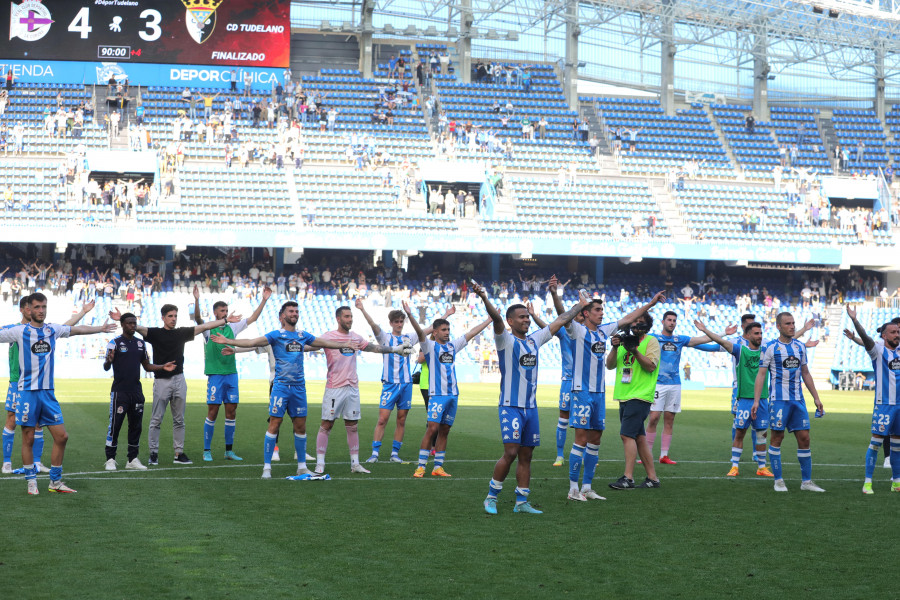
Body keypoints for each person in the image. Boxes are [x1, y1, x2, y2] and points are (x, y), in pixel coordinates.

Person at [212, 301, 360, 478]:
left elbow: (324, 342)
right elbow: (252, 342)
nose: (294, 314)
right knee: (274, 424)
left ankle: (302, 467)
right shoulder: (275, 335)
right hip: (281, 387)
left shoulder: (302, 335)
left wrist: (344, 345)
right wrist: (228, 341)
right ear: (283, 316)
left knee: (300, 426)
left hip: (299, 388)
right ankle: (267, 467)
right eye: (291, 311)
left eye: (296, 311)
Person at [550, 275, 665, 500]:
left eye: (602, 310)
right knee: (581, 438)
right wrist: (556, 295)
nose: (602, 313)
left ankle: (587, 487)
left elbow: (629, 318)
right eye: (597, 310)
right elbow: (562, 315)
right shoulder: (577, 330)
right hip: (581, 391)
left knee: (596, 440)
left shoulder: (605, 331)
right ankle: (573, 488)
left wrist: (651, 303)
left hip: (599, 394)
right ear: (585, 313)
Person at [479, 285, 586, 515]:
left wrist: (580, 306)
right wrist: (484, 298)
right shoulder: (505, 340)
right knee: (510, 453)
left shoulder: (534, 340)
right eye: (522, 317)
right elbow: (496, 318)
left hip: (531, 408)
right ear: (510, 321)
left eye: (528, 316)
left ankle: (521, 501)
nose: (527, 320)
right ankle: (491, 497)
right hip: (510, 406)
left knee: (527, 455)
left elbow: (560, 320)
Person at [0, 293, 116, 494]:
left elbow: (77, 330)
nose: (41, 310)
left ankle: (55, 482)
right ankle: (31, 482)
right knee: (27, 438)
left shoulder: (51, 330)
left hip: (48, 394)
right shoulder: (18, 331)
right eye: (37, 307)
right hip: (27, 393)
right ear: (29, 309)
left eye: (44, 306)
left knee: (61, 436)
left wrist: (101, 328)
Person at [109, 305, 233, 465]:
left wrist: (225, 320)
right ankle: (153, 454)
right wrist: (121, 318)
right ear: (163, 317)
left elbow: (205, 326)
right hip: (161, 380)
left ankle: (178, 453)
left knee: (179, 420)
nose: (173, 319)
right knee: (156, 420)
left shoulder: (181, 333)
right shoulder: (155, 333)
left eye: (175, 315)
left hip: (179, 379)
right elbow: (136, 327)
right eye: (170, 316)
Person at [314, 306, 416, 474]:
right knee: (326, 425)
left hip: (353, 387)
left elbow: (373, 348)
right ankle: (320, 463)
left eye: (351, 316)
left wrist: (395, 349)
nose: (350, 319)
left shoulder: (355, 337)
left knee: (352, 426)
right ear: (338, 319)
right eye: (347, 316)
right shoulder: (328, 336)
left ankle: (355, 464)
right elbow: (312, 344)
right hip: (334, 387)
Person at [402, 299, 491, 478]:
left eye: (448, 330)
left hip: (453, 395)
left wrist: (489, 320)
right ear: (435, 333)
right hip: (437, 395)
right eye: (443, 330)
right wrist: (411, 315)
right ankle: (420, 467)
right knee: (432, 429)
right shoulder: (430, 346)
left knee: (445, 430)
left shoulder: (452, 346)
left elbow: (471, 333)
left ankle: (438, 467)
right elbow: (420, 333)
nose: (447, 332)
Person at [357, 298, 451, 463]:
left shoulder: (409, 337)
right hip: (390, 384)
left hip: (406, 385)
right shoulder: (385, 338)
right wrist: (362, 309)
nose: (399, 324)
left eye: (401, 321)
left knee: (401, 419)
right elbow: (373, 325)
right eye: (396, 322)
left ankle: (395, 453)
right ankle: (375, 453)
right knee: (382, 419)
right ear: (391, 323)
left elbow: (430, 329)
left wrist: (447, 314)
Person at [193, 284, 272, 462]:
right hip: (215, 375)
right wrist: (197, 300)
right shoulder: (208, 329)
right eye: (223, 311)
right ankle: (207, 450)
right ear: (216, 313)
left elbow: (252, 318)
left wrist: (264, 301)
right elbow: (198, 318)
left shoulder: (233, 328)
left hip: (231, 374)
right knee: (212, 411)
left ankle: (229, 451)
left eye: (227, 310)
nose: (226, 313)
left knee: (232, 412)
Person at [752, 312, 826, 493]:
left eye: (793, 323)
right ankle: (778, 481)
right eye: (788, 324)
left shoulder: (800, 347)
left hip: (798, 400)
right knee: (777, 438)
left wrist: (816, 398)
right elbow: (761, 374)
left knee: (805, 438)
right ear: (779, 326)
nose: (792, 326)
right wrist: (756, 400)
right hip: (778, 401)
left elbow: (806, 373)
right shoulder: (770, 348)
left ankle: (806, 482)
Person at [694, 319, 774, 478]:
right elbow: (720, 341)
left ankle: (762, 467)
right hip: (744, 399)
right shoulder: (739, 350)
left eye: (761, 333)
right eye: (756, 333)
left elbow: (784, 344)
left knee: (761, 434)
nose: (759, 336)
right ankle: (734, 466)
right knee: (740, 432)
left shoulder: (767, 351)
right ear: (748, 334)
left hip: (763, 399)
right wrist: (705, 330)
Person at [646, 311, 727, 464]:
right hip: (657, 384)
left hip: (675, 384)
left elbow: (702, 339)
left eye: (674, 320)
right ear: (663, 322)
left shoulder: (680, 339)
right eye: (669, 320)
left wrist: (723, 332)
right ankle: (646, 454)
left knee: (669, 420)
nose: (672, 322)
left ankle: (664, 455)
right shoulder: (653, 338)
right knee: (654, 418)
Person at [102, 313, 176, 471]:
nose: (132, 326)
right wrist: (109, 360)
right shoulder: (114, 343)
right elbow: (106, 366)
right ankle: (110, 459)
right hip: (120, 392)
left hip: (136, 392)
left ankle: (132, 459)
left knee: (136, 426)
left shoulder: (141, 344)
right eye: (129, 323)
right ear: (122, 324)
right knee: (115, 426)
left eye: (134, 323)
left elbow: (147, 366)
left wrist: (162, 366)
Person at [845, 306, 900, 494]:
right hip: (884, 405)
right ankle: (867, 482)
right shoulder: (876, 350)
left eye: (898, 332)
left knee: (897, 445)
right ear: (884, 336)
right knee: (876, 443)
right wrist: (854, 321)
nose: (897, 335)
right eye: (893, 332)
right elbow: (866, 339)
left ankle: (897, 482)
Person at [606, 312, 662, 489]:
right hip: (625, 395)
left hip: (639, 395)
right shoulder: (624, 341)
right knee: (639, 437)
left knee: (626, 434)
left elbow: (651, 366)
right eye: (634, 322)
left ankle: (628, 478)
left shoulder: (650, 341)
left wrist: (635, 350)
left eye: (641, 322)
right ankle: (652, 479)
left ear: (648, 325)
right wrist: (615, 347)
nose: (637, 325)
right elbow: (610, 365)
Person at [547, 282, 581, 466]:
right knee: (564, 418)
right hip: (568, 380)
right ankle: (560, 455)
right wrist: (554, 295)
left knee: (584, 420)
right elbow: (550, 327)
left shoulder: (590, 332)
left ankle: (584, 453)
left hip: (585, 382)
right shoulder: (565, 332)